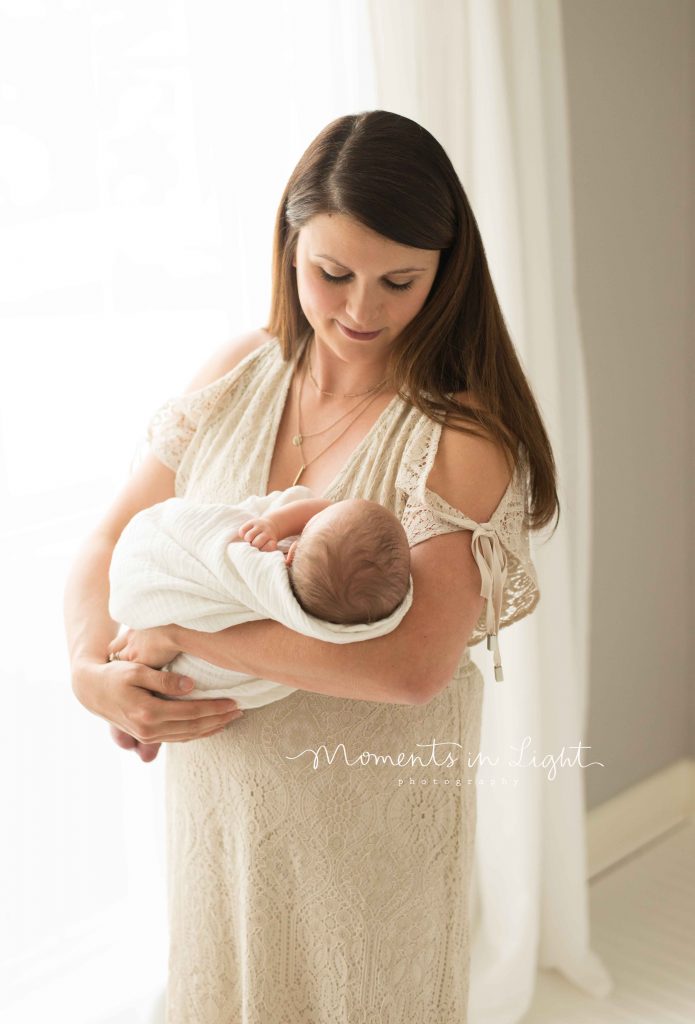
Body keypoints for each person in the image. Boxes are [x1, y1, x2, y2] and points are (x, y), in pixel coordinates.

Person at [64, 109, 558, 1022]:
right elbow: (108, 540)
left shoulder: (457, 435)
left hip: (365, 841)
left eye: (398, 281)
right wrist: (95, 670)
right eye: (331, 274)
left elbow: (411, 669)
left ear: (446, 275)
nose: (361, 311)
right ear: (289, 251)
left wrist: (182, 631)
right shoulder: (238, 373)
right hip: (220, 815)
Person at [106, 486, 414, 760]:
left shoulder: (267, 574)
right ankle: (136, 718)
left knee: (154, 681)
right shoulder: (334, 612)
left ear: (291, 554)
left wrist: (274, 523)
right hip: (193, 683)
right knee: (158, 693)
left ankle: (134, 715)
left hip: (178, 651)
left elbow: (317, 508)